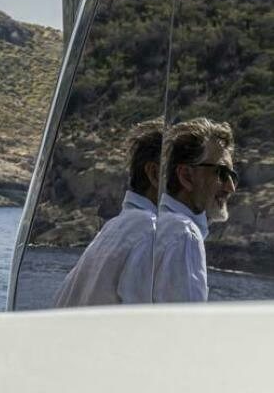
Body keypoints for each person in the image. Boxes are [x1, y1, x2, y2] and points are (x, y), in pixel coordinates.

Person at [53, 120, 163, 307]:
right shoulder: (150, 233)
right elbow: (143, 328)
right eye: (185, 173)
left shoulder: (113, 228)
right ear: (154, 174)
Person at [155, 117, 237, 302]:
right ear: (186, 176)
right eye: (222, 173)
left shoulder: (155, 225)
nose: (231, 187)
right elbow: (185, 326)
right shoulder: (184, 235)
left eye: (233, 176)